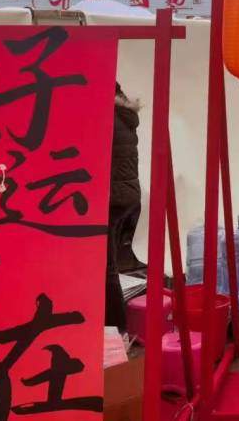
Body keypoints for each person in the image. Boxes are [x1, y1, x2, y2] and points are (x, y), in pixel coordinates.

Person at [106, 82, 143, 330]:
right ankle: (115, 328)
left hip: (111, 198)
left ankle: (115, 329)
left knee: (105, 268)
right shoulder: (124, 116)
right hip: (126, 197)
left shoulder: (107, 118)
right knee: (109, 264)